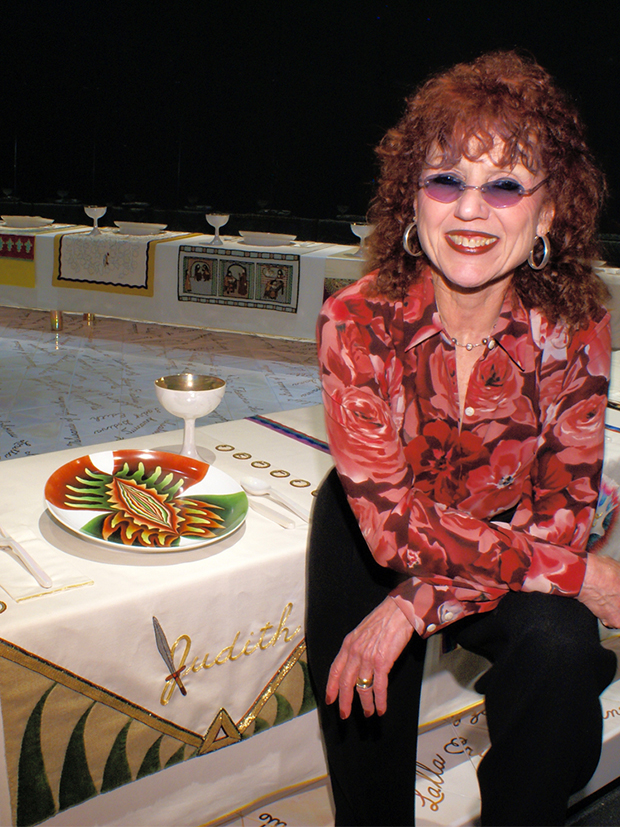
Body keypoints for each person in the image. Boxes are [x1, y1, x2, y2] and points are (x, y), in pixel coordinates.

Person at [305, 50, 620, 827]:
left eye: (506, 185)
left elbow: (559, 520)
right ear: (412, 202)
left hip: (504, 542)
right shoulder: (356, 322)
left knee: (564, 648)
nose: (471, 210)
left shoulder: (576, 330)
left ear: (546, 213)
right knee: (368, 772)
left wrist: (413, 607)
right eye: (446, 180)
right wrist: (580, 573)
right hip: (369, 541)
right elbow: (394, 532)